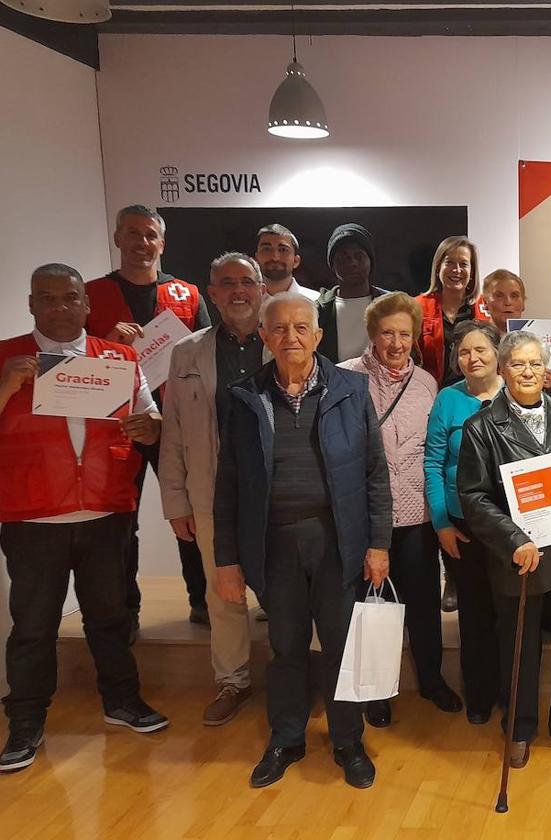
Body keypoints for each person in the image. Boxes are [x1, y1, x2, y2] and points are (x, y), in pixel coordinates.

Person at [213, 293, 392, 790]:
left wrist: (379, 544)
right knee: (286, 646)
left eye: (301, 328)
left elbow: (376, 474)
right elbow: (227, 484)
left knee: (340, 645)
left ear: (317, 335)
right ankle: (286, 738)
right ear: (265, 337)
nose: (290, 337)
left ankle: (347, 741)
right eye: (279, 329)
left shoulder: (352, 389)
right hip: (273, 544)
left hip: (337, 541)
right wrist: (226, 559)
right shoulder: (242, 396)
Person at [0, 264, 169, 773]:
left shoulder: (118, 359)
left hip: (105, 511)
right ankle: (25, 722)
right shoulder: (5, 357)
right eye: (47, 298)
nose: (59, 308)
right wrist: (6, 386)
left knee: (110, 617)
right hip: (33, 518)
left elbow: (150, 423)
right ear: (31, 303)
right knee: (33, 627)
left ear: (86, 305)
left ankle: (122, 702)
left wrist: (151, 426)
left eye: (70, 298)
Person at [457, 331, 551, 769]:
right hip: (521, 557)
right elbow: (474, 496)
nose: (527, 372)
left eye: (535, 365)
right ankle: (521, 726)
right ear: (503, 370)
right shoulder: (482, 427)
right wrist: (513, 540)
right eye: (517, 365)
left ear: (548, 372)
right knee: (520, 646)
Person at [86, 204, 211, 635]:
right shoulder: (88, 295)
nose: (142, 243)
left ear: (162, 241)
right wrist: (105, 345)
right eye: (133, 234)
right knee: (121, 521)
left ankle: (202, 600)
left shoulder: (187, 294)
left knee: (192, 513)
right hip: (117, 427)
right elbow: (73, 368)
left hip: (176, 425)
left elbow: (208, 353)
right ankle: (125, 610)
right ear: (118, 238)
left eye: (150, 235)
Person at [338, 292, 462, 727]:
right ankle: (376, 690)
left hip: (418, 515)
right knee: (374, 606)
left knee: (424, 604)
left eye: (404, 334)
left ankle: (430, 679)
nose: (395, 342)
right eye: (387, 332)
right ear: (372, 334)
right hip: (368, 516)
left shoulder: (428, 383)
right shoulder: (345, 379)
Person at [158, 253, 270, 726]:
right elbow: (174, 432)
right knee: (223, 593)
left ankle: (297, 673)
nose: (238, 291)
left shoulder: (282, 342)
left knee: (284, 590)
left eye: (247, 281)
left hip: (274, 493)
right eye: (227, 283)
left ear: (262, 287)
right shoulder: (187, 353)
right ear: (212, 291)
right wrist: (175, 501)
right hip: (210, 493)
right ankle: (232, 681)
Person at [424, 320, 505, 724]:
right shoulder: (447, 400)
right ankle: (479, 694)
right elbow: (433, 463)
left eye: (481, 350)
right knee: (474, 616)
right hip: (463, 524)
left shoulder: (519, 392)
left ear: (498, 354)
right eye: (463, 352)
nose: (472, 358)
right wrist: (441, 524)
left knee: (510, 614)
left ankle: (513, 695)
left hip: (511, 527)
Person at [481, 268, 551, 399]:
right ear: (485, 303)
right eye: (499, 295)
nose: (508, 302)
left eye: (514, 296)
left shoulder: (540, 343)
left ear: (523, 303)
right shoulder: (476, 342)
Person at [417, 236, 488, 387]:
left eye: (464, 264)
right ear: (438, 268)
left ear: (472, 272)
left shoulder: (485, 308)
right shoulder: (417, 307)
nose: (456, 270)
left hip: (475, 396)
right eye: (449, 262)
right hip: (429, 395)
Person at [315, 223, 388, 363]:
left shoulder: (391, 305)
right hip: (333, 384)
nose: (352, 262)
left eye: (359, 256)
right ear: (332, 264)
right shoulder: (319, 311)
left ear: (370, 261)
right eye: (343, 257)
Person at [255, 223, 319, 301]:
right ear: (256, 259)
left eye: (283, 250)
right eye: (267, 249)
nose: (275, 257)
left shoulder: (315, 301)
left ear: (296, 261)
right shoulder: (247, 302)